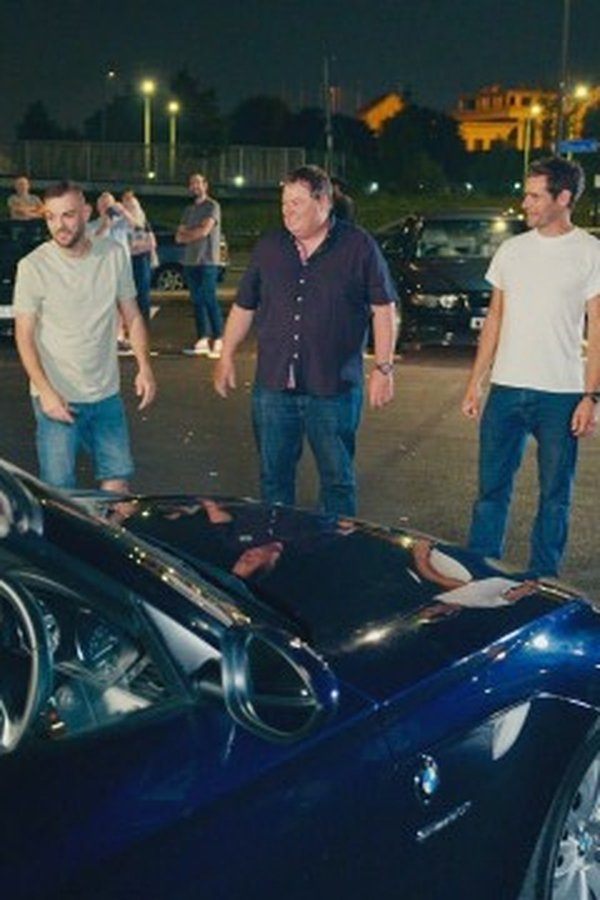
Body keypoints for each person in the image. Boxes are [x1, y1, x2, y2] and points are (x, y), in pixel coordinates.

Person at [214, 164, 398, 517]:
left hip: (334, 389)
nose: (287, 211)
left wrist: (383, 368)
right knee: (274, 479)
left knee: (337, 481)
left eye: (296, 203)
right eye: (284, 203)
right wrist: (226, 355)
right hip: (273, 388)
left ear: (323, 202)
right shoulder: (270, 247)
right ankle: (279, 541)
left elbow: (383, 308)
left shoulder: (358, 246)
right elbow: (244, 305)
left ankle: (337, 547)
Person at [462, 156, 600, 578]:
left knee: (555, 496)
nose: (525, 203)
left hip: (561, 394)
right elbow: (495, 318)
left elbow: (598, 329)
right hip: (506, 389)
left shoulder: (591, 252)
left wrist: (591, 396)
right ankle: (481, 573)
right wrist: (475, 382)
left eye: (535, 196)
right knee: (490, 492)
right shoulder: (512, 250)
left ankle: (543, 579)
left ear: (563, 198)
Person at [12, 180, 156, 492]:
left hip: (106, 394)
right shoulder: (33, 266)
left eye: (67, 215)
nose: (59, 226)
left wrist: (145, 367)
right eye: (50, 217)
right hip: (57, 397)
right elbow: (24, 336)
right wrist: (46, 392)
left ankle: (111, 525)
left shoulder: (113, 254)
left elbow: (132, 314)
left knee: (118, 485)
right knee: (61, 492)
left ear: (86, 213)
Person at [176, 173, 223, 359]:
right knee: (196, 301)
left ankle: (219, 338)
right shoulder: (188, 210)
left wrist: (189, 233)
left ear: (205, 185)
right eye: (192, 183)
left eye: (198, 182)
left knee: (209, 298)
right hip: (190, 261)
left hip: (208, 260)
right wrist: (192, 233)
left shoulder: (212, 206)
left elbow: (205, 231)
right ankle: (203, 338)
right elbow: (178, 236)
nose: (195, 186)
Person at [120, 189, 156, 323]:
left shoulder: (142, 223)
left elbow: (151, 243)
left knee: (142, 294)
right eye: (127, 206)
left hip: (141, 260)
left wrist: (134, 247)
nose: (130, 209)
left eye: (132, 206)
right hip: (125, 262)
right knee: (127, 295)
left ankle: (143, 324)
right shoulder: (120, 223)